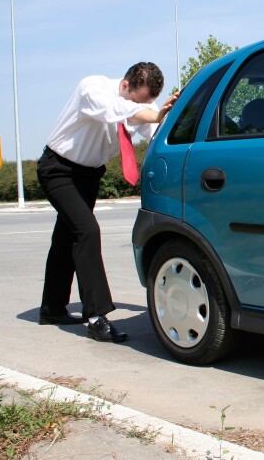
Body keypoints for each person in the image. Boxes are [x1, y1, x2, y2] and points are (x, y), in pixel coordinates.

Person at [36, 62, 179, 343]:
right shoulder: (92, 88)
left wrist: (166, 119)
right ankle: (96, 316)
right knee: (87, 231)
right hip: (59, 170)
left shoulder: (137, 105)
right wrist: (150, 114)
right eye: (139, 101)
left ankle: (52, 308)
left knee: (66, 237)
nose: (142, 108)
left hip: (88, 175)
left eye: (147, 104)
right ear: (126, 86)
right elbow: (116, 111)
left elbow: (151, 132)